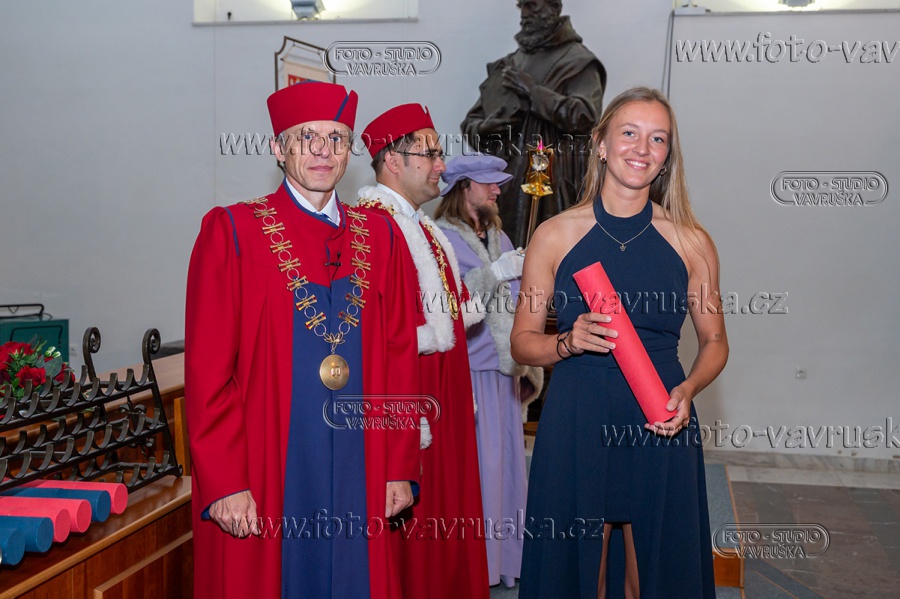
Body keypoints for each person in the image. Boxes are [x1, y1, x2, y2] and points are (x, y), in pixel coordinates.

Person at [185, 81, 422, 599]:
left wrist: (399, 465)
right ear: (278, 147)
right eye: (306, 137)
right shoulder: (233, 232)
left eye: (336, 138)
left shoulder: (382, 236)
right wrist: (225, 482)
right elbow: (207, 372)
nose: (322, 150)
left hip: (363, 459)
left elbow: (401, 355)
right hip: (267, 462)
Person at [511, 87, 729, 598]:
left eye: (658, 139)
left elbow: (715, 341)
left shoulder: (691, 241)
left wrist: (689, 389)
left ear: (667, 157)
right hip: (578, 413)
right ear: (601, 144)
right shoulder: (555, 235)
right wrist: (568, 342)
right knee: (581, 567)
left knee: (650, 568)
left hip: (660, 412)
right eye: (629, 133)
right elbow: (522, 343)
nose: (642, 148)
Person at [357, 104, 490, 599]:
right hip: (414, 399)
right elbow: (377, 338)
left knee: (448, 517)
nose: (442, 165)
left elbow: (452, 314)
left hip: (445, 393)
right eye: (430, 154)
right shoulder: (374, 228)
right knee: (416, 538)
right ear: (393, 160)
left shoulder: (423, 227)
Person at [433, 153, 544, 588]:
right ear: (464, 188)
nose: (498, 189)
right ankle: (476, 563)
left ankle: (505, 561)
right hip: (471, 370)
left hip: (505, 368)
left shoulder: (499, 234)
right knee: (481, 470)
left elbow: (516, 299)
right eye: (488, 183)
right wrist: (495, 272)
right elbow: (448, 301)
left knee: (509, 469)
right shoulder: (441, 237)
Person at [460, 0, 606, 248]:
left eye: (532, 6)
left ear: (554, 8)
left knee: (548, 255)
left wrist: (533, 92)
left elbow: (585, 116)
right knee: (505, 258)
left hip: (552, 186)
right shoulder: (509, 64)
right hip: (504, 186)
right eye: (522, 7)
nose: (524, 14)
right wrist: (487, 128)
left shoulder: (578, 61)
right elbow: (471, 123)